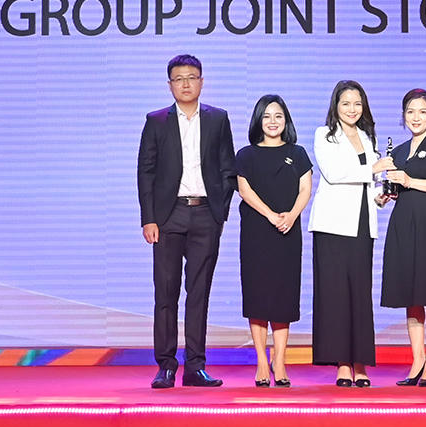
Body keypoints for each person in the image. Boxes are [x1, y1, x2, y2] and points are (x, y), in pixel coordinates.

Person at [137, 54, 236, 389]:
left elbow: (227, 167)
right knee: (166, 293)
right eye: (178, 79)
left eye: (191, 77)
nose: (185, 84)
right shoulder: (156, 121)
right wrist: (149, 218)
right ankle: (166, 365)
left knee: (199, 293)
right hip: (168, 216)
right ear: (170, 85)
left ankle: (195, 366)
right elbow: (145, 172)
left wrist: (220, 212)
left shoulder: (218, 119)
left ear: (202, 82)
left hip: (206, 214)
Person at [309, 80, 392, 388]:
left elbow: (370, 184)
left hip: (361, 224)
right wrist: (374, 168)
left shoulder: (369, 137)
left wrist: (381, 196)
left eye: (357, 103)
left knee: (360, 294)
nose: (352, 109)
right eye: (346, 103)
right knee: (335, 295)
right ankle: (342, 363)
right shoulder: (324, 135)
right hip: (332, 225)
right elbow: (334, 174)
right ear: (336, 106)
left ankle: (360, 363)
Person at [378, 88, 426, 387]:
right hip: (403, 225)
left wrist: (411, 181)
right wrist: (385, 195)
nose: (416, 117)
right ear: (403, 115)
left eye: (422, 112)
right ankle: (417, 360)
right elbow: (397, 190)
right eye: (410, 111)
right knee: (411, 296)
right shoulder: (397, 152)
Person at [235, 95, 313, 388]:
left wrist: (291, 215)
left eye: (278, 116)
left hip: (287, 231)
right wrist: (270, 215)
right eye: (266, 116)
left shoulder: (298, 153)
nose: (272, 121)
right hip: (257, 232)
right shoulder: (246, 155)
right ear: (258, 120)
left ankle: (279, 361)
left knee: (283, 297)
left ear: (286, 120)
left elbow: (305, 189)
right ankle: (261, 361)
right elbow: (244, 190)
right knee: (258, 296)